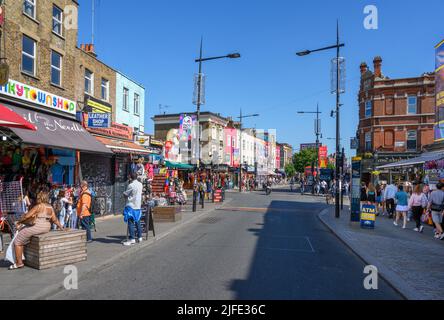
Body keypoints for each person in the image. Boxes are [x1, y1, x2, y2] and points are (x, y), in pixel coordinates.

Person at [9, 190, 65, 270]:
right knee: (24, 230)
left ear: (40, 197)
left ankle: (19, 263)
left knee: (17, 241)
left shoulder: (38, 206)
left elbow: (26, 216)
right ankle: (21, 255)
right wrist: (61, 228)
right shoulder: (50, 207)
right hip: (46, 227)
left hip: (37, 227)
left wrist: (19, 221)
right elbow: (55, 220)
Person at [122, 172, 144, 246]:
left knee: (130, 222)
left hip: (131, 206)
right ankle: (140, 237)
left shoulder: (130, 185)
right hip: (138, 205)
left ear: (130, 177)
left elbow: (125, 194)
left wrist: (124, 193)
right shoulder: (140, 184)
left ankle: (132, 239)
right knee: (137, 221)